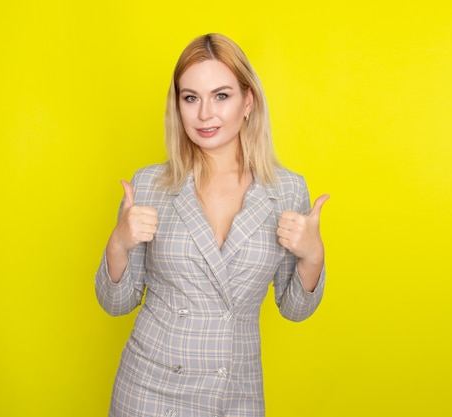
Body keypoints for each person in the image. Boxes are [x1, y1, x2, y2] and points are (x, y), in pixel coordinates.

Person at [95, 33, 329, 417]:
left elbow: (294, 309)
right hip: (149, 393)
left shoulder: (287, 190)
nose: (205, 114)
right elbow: (115, 303)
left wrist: (313, 257)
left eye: (221, 96)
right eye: (191, 98)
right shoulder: (150, 185)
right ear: (178, 106)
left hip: (236, 394)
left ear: (248, 101)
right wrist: (119, 244)